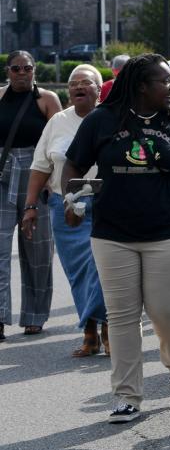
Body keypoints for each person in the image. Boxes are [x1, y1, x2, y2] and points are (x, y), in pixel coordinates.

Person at [61, 53, 170, 423]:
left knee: (167, 311)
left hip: (166, 233)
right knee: (123, 316)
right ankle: (127, 396)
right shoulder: (101, 120)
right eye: (165, 82)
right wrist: (71, 197)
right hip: (112, 233)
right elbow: (74, 164)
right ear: (142, 85)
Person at [22, 65, 106, 355]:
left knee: (102, 267)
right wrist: (31, 205)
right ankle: (89, 331)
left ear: (98, 89)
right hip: (65, 203)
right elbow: (40, 166)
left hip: (106, 202)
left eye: (86, 83)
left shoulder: (111, 119)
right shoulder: (57, 121)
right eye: (73, 84)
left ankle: (108, 328)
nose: (78, 88)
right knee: (78, 272)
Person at [0, 51, 61, 341]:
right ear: (7, 71)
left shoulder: (47, 100)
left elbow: (57, 142)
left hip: (36, 175)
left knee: (37, 251)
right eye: (16, 68)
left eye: (27, 68)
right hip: (2, 174)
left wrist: (50, 179)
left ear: (34, 70)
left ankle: (35, 316)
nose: (21, 73)